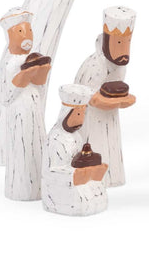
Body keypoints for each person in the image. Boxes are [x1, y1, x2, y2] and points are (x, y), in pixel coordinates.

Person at [75, 6, 136, 187]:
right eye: (119, 43)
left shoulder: (119, 65)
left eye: (127, 42)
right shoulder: (95, 66)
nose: (124, 49)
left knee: (112, 146)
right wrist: (118, 101)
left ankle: (113, 176)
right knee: (97, 146)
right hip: (91, 120)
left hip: (110, 117)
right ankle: (97, 179)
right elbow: (91, 98)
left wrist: (121, 100)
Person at [0, 7, 51, 200]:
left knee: (37, 145)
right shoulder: (10, 63)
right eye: (20, 31)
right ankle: (21, 189)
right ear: (10, 36)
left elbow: (39, 87)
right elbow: (6, 96)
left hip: (34, 111)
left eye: (29, 30)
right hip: (19, 114)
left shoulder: (32, 57)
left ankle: (40, 186)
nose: (27, 36)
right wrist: (24, 75)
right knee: (22, 149)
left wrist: (41, 73)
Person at [42, 84, 108, 217]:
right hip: (59, 188)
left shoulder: (77, 136)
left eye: (83, 113)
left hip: (80, 180)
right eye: (78, 114)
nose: (81, 119)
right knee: (82, 198)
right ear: (66, 114)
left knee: (98, 189)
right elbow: (52, 170)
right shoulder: (55, 138)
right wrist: (77, 173)